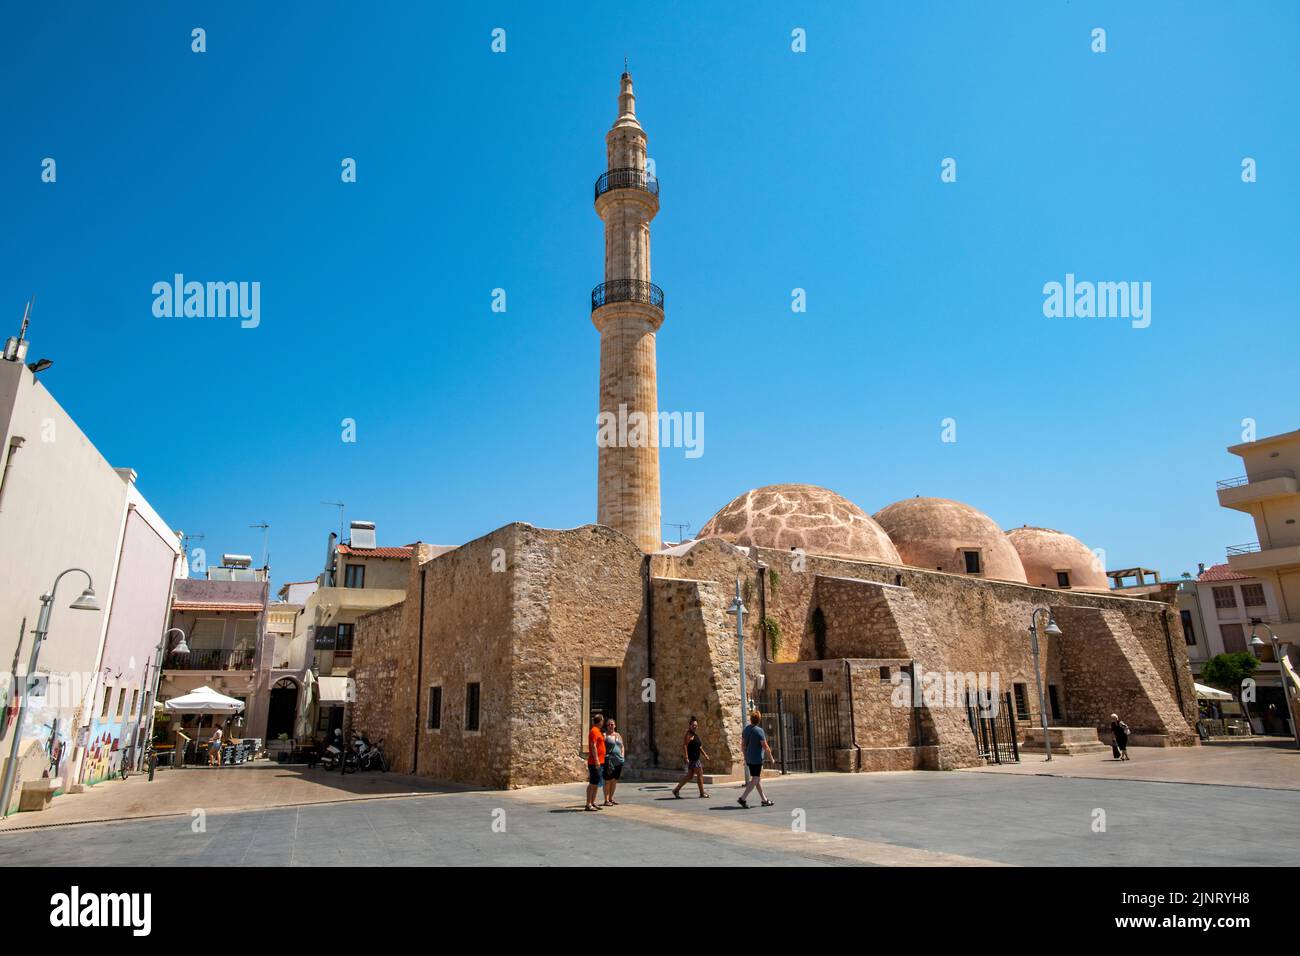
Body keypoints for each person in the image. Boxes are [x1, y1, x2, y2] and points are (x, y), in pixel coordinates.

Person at [737, 710, 775, 808]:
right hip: (757, 758)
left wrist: (745, 757)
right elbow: (765, 746)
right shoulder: (759, 731)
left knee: (756, 779)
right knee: (755, 778)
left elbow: (743, 746)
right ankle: (742, 798)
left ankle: (764, 800)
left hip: (749, 758)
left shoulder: (745, 730)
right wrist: (771, 758)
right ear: (759, 720)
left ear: (751, 719)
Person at [671, 717, 709, 798]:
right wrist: (686, 757)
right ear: (690, 726)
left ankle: (676, 790)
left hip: (695, 758)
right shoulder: (689, 734)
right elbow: (685, 745)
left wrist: (705, 754)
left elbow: (699, 746)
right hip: (693, 758)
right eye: (693, 725)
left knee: (690, 776)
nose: (695, 726)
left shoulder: (695, 735)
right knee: (700, 773)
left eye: (696, 725)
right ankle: (702, 793)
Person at [585, 714, 606, 811]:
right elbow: (593, 746)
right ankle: (588, 804)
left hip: (600, 761)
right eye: (602, 720)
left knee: (596, 783)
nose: (603, 722)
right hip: (594, 762)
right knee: (592, 783)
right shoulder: (594, 731)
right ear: (600, 721)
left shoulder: (598, 731)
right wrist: (597, 760)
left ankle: (592, 802)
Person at [602, 718, 626, 806]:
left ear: (615, 725)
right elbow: (601, 747)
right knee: (607, 780)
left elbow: (622, 746)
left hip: (619, 761)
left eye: (612, 724)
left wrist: (622, 755)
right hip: (609, 762)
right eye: (608, 725)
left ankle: (611, 798)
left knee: (614, 780)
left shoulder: (618, 735)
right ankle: (606, 800)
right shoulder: (604, 735)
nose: (610, 726)